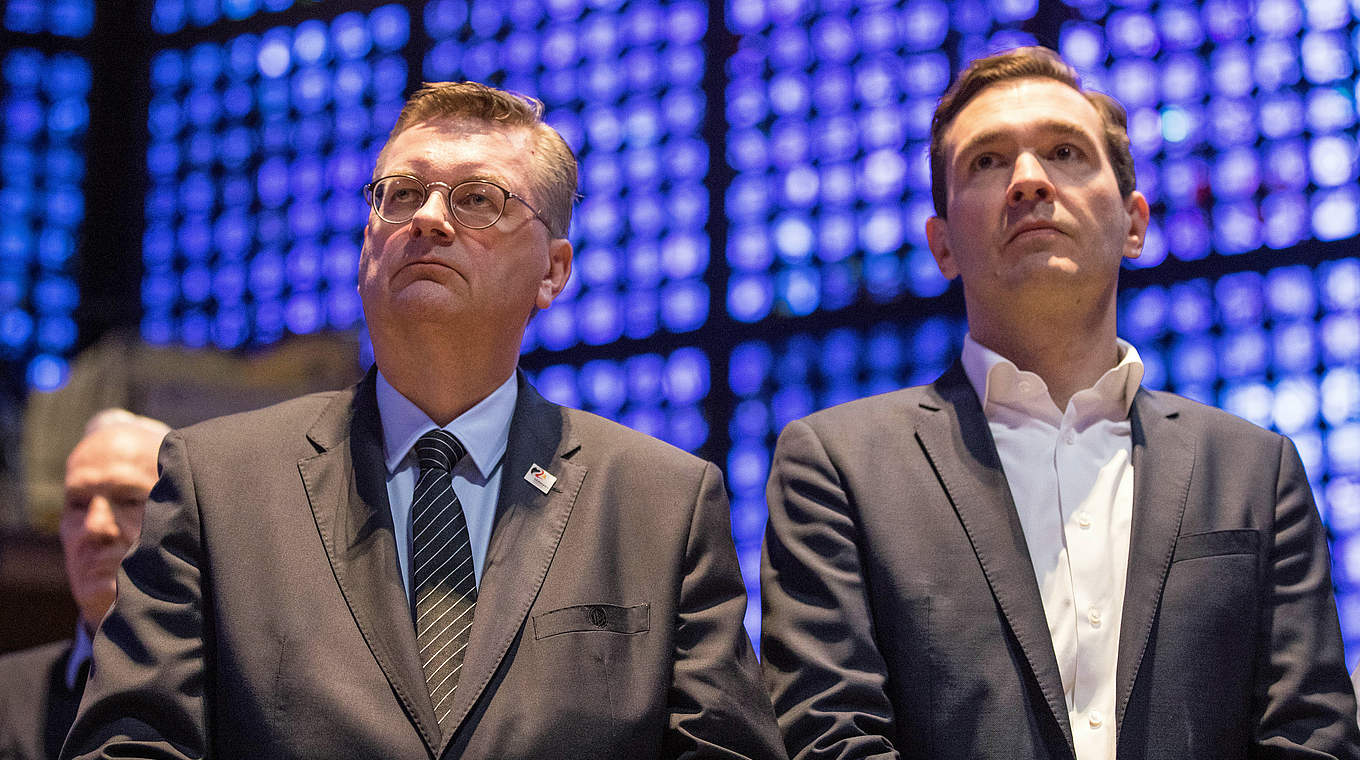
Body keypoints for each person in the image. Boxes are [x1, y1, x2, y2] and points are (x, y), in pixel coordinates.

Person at [63, 82, 784, 760]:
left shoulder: (662, 503)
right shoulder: (216, 483)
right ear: (366, 244)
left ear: (553, 272)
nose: (428, 218)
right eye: (401, 194)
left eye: (477, 199)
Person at [761, 46, 1360, 760]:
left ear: (1135, 223)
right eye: (986, 162)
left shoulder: (1254, 471)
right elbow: (830, 740)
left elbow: (1311, 736)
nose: (1028, 181)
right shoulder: (838, 468)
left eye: (1066, 152)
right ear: (942, 244)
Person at [0, 410, 168, 760]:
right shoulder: (7, 693)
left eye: (129, 500)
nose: (96, 527)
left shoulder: (238, 688)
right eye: (78, 503)